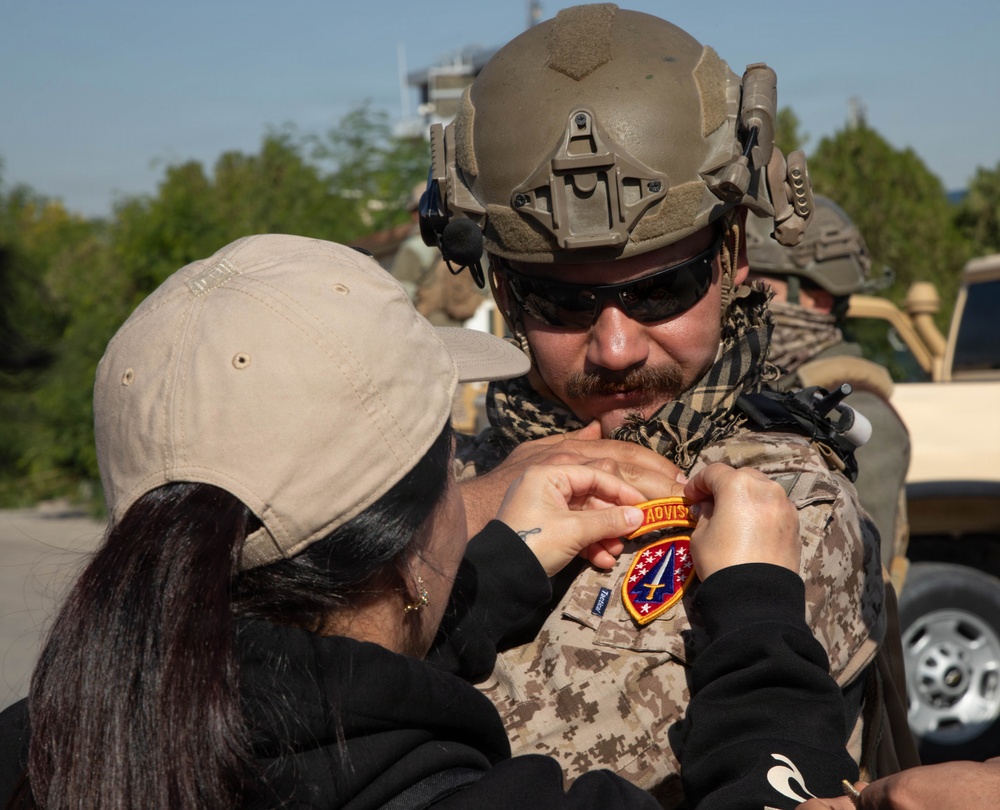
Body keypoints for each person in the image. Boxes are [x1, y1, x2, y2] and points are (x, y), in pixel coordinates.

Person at [0, 233, 854, 809]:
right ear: (406, 543)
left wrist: (495, 575)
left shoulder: (48, 742)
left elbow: (311, 676)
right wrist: (758, 613)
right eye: (451, 463)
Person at [417, 4, 901, 803]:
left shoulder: (781, 505)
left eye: (662, 289)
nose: (616, 347)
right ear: (499, 285)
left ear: (734, 255)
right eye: (558, 302)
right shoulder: (437, 478)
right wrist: (460, 514)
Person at [745, 195, 911, 570]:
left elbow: (854, 575)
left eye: (755, 282)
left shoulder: (860, 418)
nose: (739, 297)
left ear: (816, 298)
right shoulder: (768, 386)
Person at [391, 183, 487, 327]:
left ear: (419, 211)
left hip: (426, 331)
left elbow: (399, 295)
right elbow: (483, 288)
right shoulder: (466, 241)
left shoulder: (413, 247)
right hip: (460, 331)